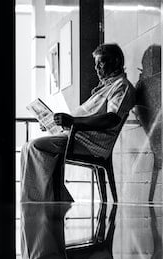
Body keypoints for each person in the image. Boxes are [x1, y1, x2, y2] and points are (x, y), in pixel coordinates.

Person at [20, 43, 136, 202]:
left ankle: (40, 200)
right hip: (74, 135)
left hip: (88, 143)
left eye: (101, 63)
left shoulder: (121, 86)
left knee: (35, 146)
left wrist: (73, 121)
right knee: (27, 146)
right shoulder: (104, 88)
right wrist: (54, 122)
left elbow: (112, 118)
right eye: (96, 65)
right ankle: (52, 197)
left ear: (116, 62)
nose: (97, 69)